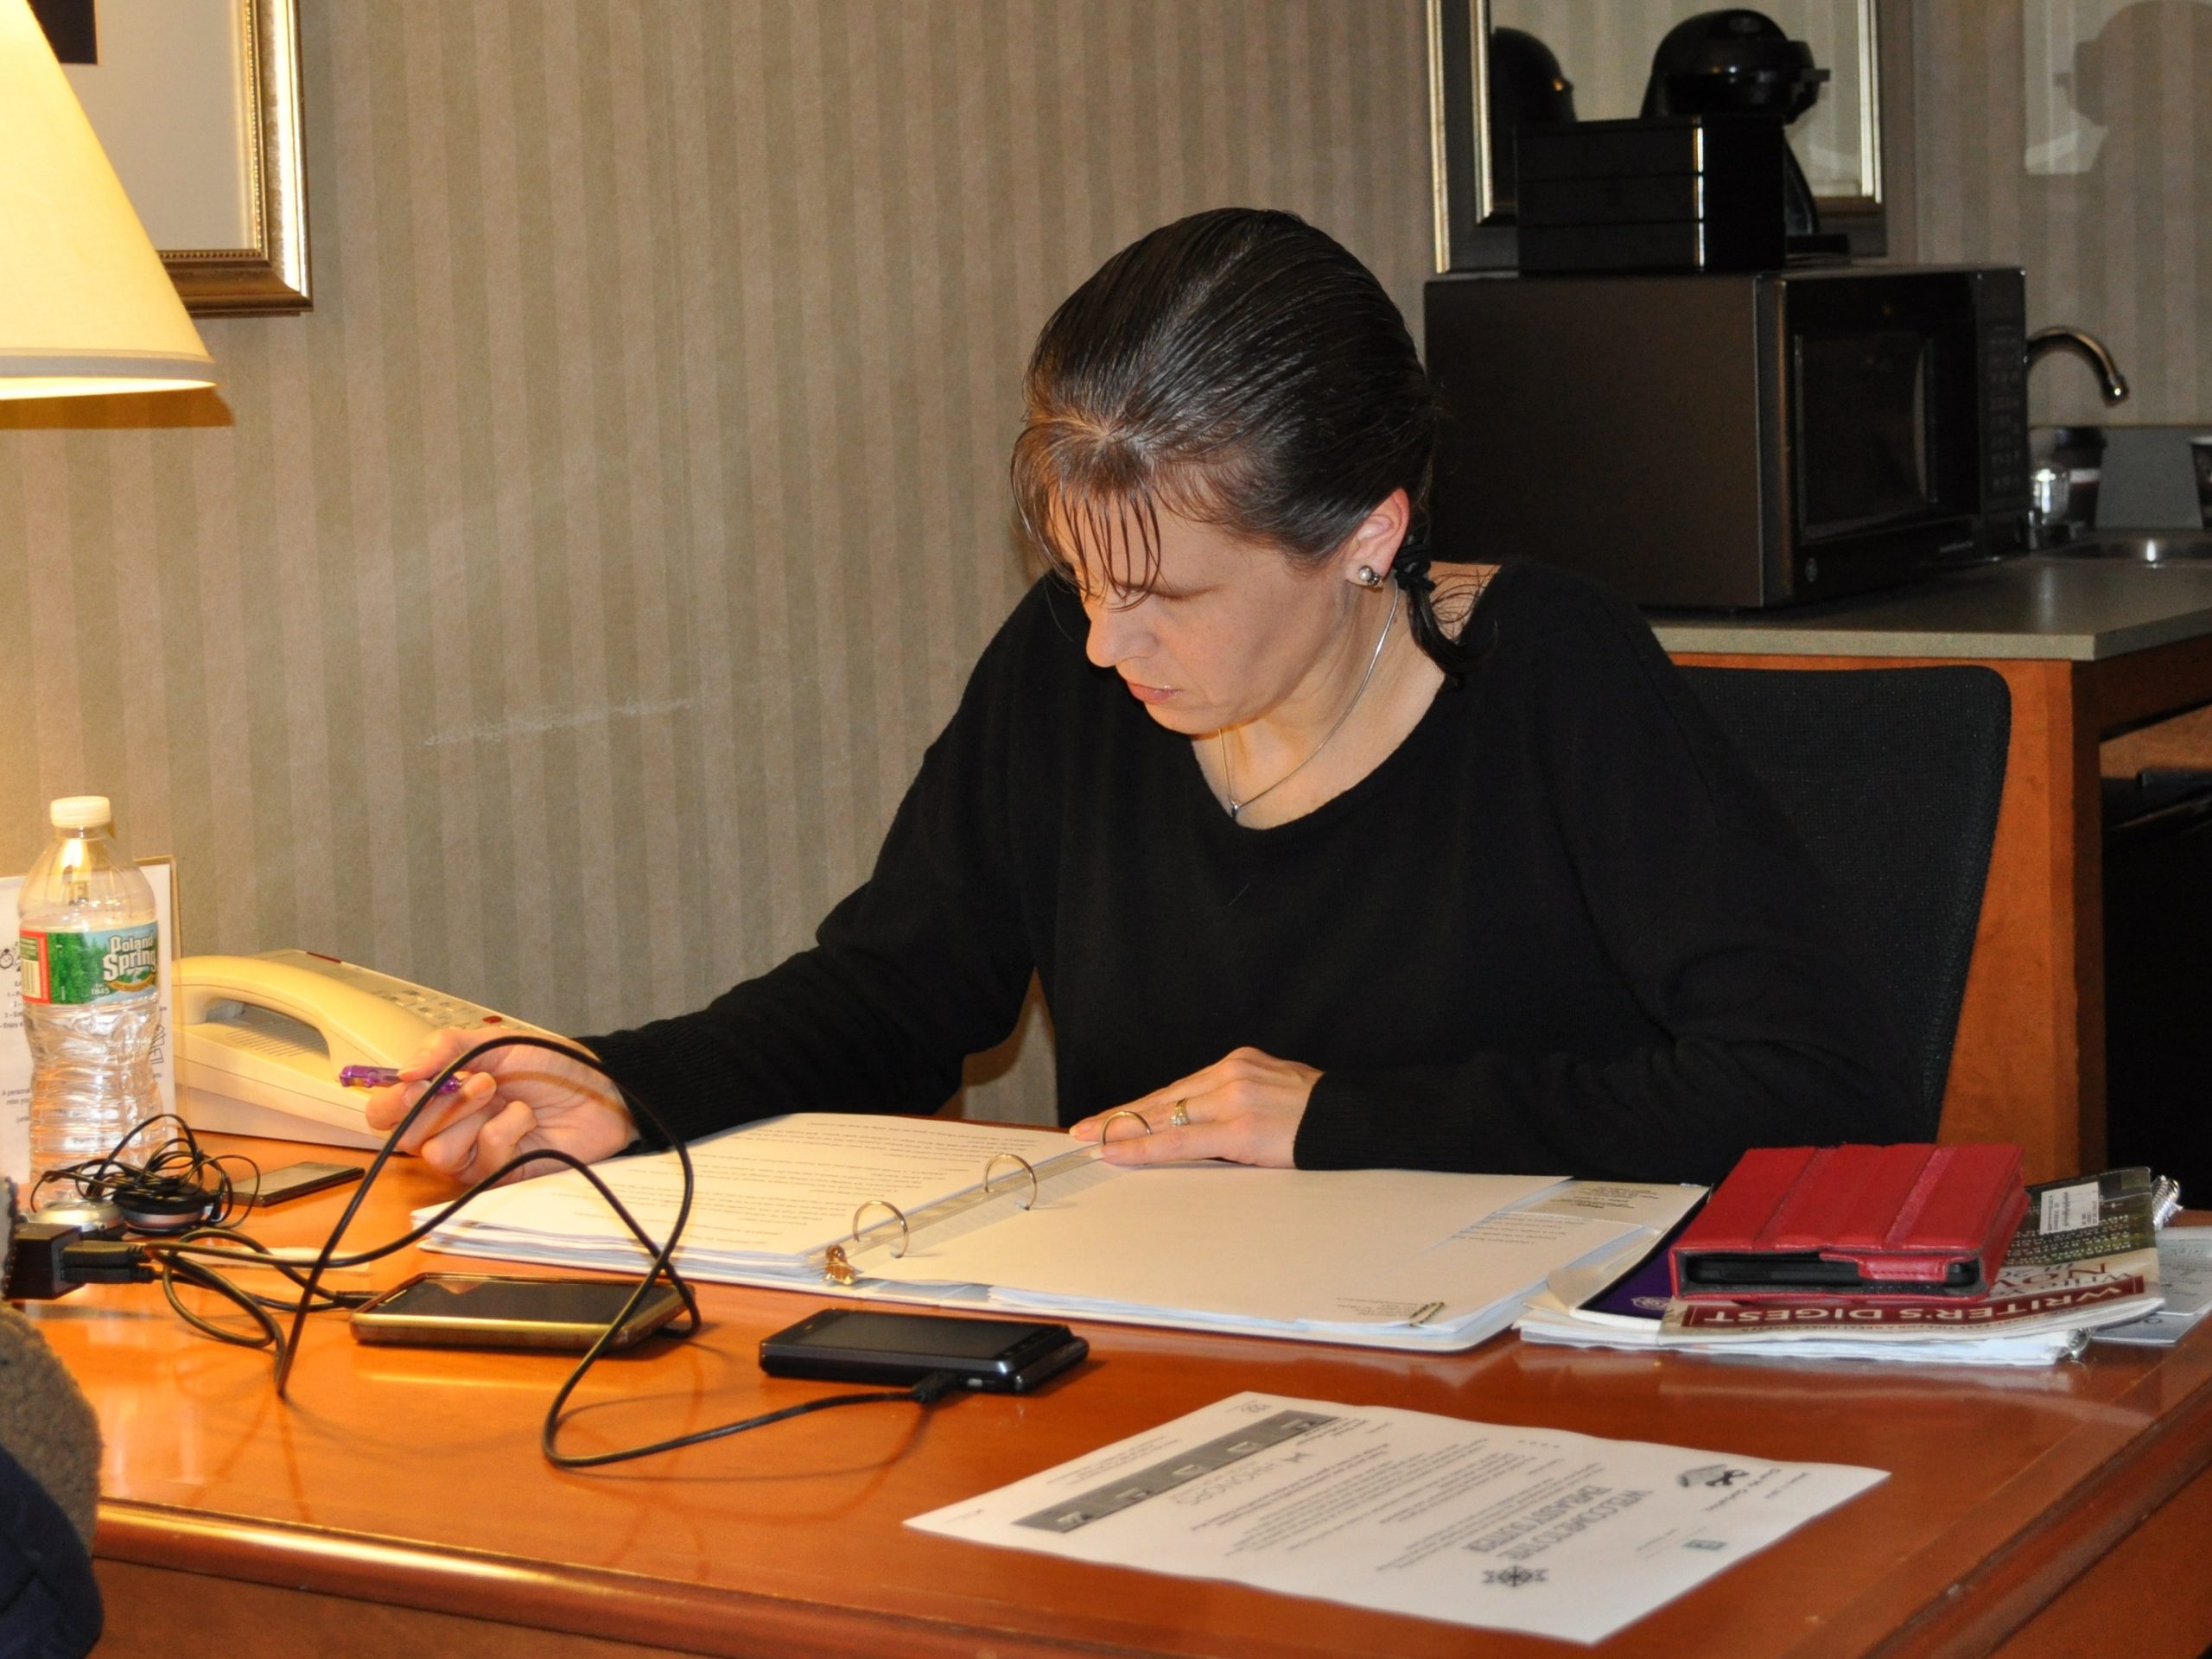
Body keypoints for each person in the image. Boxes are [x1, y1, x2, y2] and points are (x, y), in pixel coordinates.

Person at [370, 208, 1914, 1187]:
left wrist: (1339, 1124)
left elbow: (1817, 1092)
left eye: (1165, 594)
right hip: (1166, 1364)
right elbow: (899, 996)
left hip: (1528, 1379)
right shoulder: (1067, 669)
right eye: (1084, 579)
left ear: (1368, 535)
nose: (1108, 645)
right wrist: (621, 1081)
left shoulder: (1552, 679)